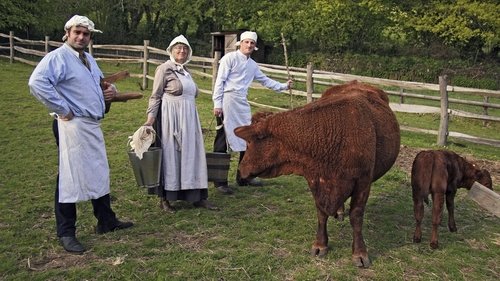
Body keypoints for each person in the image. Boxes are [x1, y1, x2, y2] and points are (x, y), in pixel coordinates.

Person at [28, 15, 133, 254]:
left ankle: (106, 220)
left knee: (98, 170)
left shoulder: (87, 59)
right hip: (72, 125)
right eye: (77, 32)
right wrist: (62, 108)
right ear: (67, 32)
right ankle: (66, 231)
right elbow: (37, 82)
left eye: (86, 34)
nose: (81, 37)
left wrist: (109, 90)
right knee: (69, 176)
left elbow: (98, 83)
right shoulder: (58, 57)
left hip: (91, 125)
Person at [212, 31, 293, 194]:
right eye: (246, 42)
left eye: (252, 43)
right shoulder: (229, 59)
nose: (249, 45)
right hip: (228, 100)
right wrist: (217, 103)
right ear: (240, 43)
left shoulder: (252, 65)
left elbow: (265, 80)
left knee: (247, 138)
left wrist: (283, 86)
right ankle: (219, 181)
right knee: (224, 138)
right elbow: (219, 81)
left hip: (242, 102)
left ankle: (243, 177)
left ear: (255, 46)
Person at [143, 35, 218, 212]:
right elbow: (156, 95)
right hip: (171, 118)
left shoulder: (185, 71)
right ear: (171, 50)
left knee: (193, 155)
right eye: (178, 48)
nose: (182, 51)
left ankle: (197, 197)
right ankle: (165, 199)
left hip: (190, 118)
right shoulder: (164, 69)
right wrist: (149, 120)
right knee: (171, 156)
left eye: (185, 48)